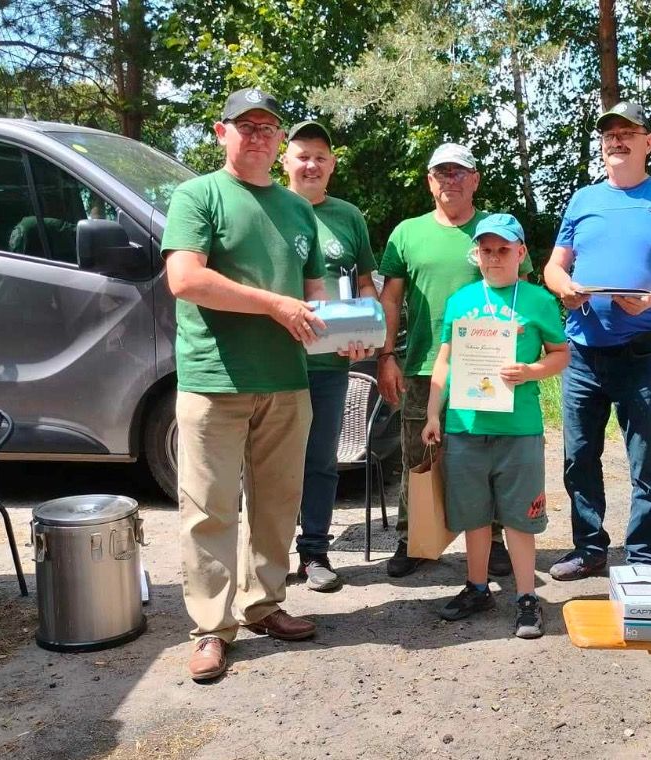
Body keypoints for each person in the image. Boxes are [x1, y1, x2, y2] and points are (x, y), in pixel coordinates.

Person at [162, 88, 351, 682]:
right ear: (223, 133)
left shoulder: (298, 211)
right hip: (214, 379)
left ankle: (264, 605)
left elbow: (315, 299)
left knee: (276, 504)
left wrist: (350, 333)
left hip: (287, 382)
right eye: (247, 125)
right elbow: (185, 279)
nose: (260, 135)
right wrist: (273, 304)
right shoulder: (198, 195)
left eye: (269, 126)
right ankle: (211, 629)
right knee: (209, 510)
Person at [543, 101, 651, 579]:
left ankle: (645, 559)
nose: (616, 140)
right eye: (609, 134)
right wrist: (563, 288)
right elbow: (554, 265)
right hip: (582, 354)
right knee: (578, 458)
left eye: (627, 132)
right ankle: (590, 550)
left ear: (647, 142)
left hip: (641, 355)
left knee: (647, 463)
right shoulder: (583, 199)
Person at [377, 142, 533, 577]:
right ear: (430, 182)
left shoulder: (497, 229)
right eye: (442, 173)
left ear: (475, 179)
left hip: (487, 365)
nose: (451, 180)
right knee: (417, 456)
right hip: (425, 365)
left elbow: (520, 291)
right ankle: (415, 540)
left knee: (489, 454)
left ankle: (495, 540)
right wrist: (386, 354)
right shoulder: (407, 233)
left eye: (460, 172)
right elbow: (391, 298)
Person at [422, 214, 568, 638]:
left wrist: (532, 371)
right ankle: (478, 586)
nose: (493, 258)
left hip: (519, 429)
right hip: (465, 425)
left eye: (503, 250)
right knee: (474, 515)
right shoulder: (462, 299)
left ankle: (526, 598)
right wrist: (434, 412)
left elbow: (561, 354)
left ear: (520, 252)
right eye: (486, 250)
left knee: (520, 519)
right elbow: (445, 361)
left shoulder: (538, 300)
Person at [282, 120, 378, 592]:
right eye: (302, 155)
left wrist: (365, 332)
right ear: (285, 161)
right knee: (270, 463)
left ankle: (315, 553)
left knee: (320, 460)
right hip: (273, 361)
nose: (311, 165)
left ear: (332, 165)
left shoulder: (349, 217)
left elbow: (364, 286)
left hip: (328, 365)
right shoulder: (269, 208)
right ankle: (269, 555)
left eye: (320, 157)